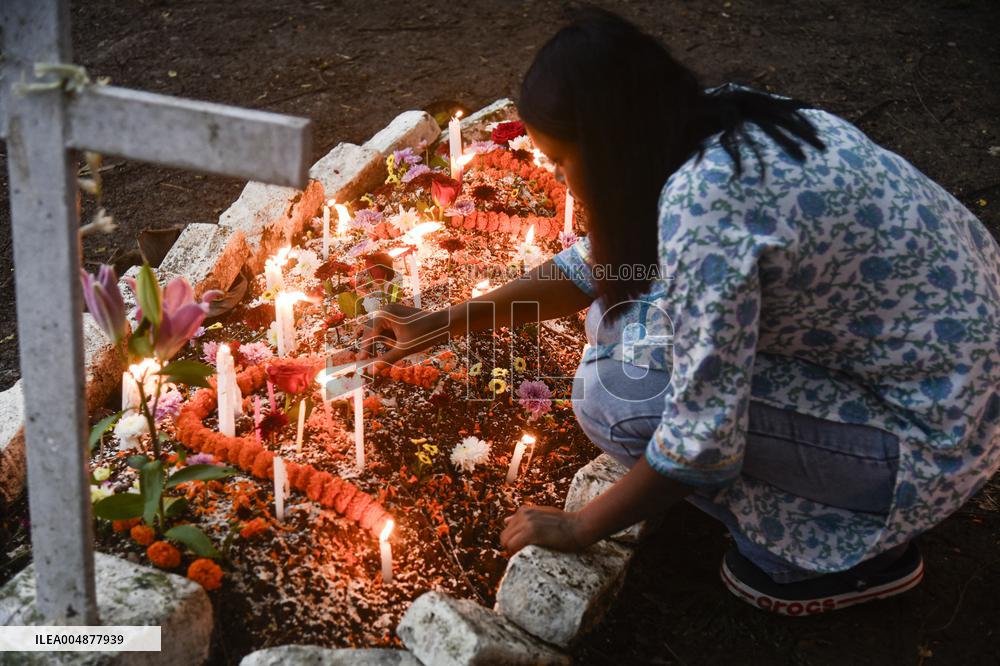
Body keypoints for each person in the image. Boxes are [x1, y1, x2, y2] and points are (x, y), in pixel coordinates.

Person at [360, 8, 1000, 615]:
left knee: (615, 393)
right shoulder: (715, 119)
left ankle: (835, 556)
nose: (556, 178)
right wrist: (445, 322)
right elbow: (599, 265)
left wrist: (583, 525)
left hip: (932, 442)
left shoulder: (705, 206)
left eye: (558, 160)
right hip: (944, 380)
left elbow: (703, 445)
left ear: (610, 147)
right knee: (624, 319)